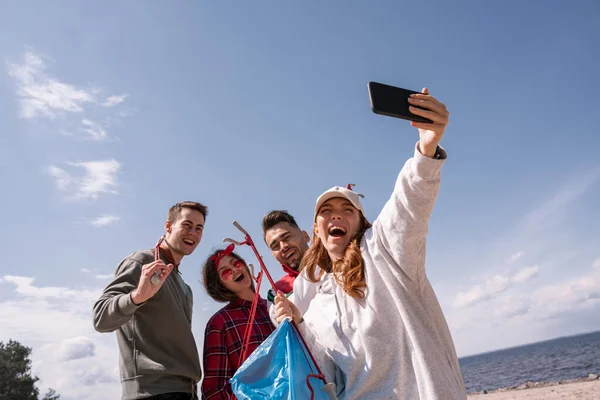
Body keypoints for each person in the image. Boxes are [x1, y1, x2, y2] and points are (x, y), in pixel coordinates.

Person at [273, 88, 467, 399]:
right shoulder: (319, 303)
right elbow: (323, 375)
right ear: (316, 228)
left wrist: (426, 150)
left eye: (347, 210)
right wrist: (293, 326)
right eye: (327, 212)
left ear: (362, 223)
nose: (336, 216)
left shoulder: (386, 253)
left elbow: (407, 205)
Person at [93, 201, 207, 400]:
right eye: (187, 225)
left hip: (186, 391)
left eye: (199, 228)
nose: (193, 233)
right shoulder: (142, 262)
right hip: (151, 392)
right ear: (169, 226)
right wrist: (137, 297)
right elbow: (101, 318)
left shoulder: (183, 286)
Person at [200, 245, 275, 399]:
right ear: (221, 285)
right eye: (225, 272)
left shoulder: (274, 306)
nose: (234, 270)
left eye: (236, 263)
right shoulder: (220, 323)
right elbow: (214, 389)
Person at [261, 210, 310, 302]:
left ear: (305, 236)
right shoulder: (277, 293)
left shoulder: (337, 263)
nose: (283, 246)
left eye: (287, 237)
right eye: (275, 246)